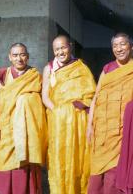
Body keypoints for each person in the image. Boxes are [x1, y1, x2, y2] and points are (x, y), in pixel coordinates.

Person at [42, 35, 96, 194]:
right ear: (53, 51)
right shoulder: (49, 68)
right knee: (59, 156)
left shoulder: (81, 67)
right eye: (57, 49)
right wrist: (58, 112)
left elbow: (91, 94)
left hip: (79, 120)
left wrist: (75, 109)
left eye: (63, 47)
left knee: (78, 157)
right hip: (57, 120)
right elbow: (45, 96)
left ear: (70, 46)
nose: (60, 52)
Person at [0, 43, 47, 194]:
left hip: (27, 130)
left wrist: (27, 100)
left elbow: (42, 102)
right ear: (9, 57)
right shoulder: (3, 74)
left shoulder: (35, 76)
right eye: (15, 55)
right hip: (6, 126)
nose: (19, 58)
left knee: (25, 160)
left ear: (27, 56)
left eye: (22, 55)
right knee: (4, 158)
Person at [87, 33, 133, 194]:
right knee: (96, 176)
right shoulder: (107, 69)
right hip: (101, 131)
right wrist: (90, 125)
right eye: (115, 46)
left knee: (115, 175)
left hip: (123, 132)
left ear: (131, 47)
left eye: (123, 44)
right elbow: (96, 98)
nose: (119, 49)